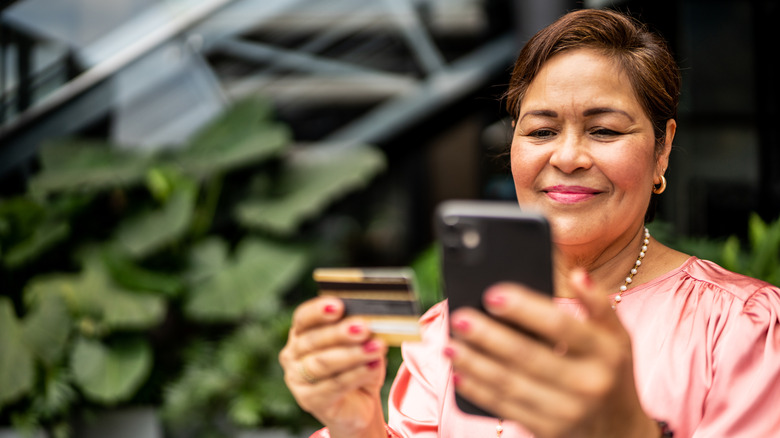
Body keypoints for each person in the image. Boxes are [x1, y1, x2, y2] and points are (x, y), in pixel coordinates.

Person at [278, 8, 780, 438]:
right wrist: (355, 424)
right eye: (541, 130)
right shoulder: (450, 333)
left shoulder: (740, 327)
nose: (567, 156)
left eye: (603, 130)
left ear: (662, 149)